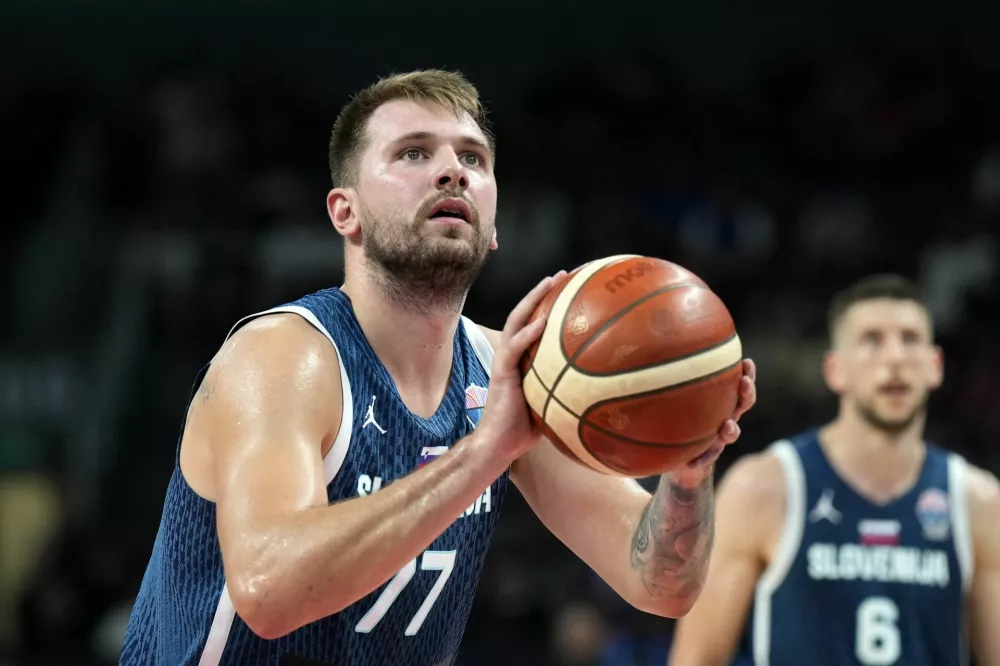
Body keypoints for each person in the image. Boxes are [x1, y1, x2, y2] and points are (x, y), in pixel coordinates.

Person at [119, 69, 757, 666]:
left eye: (472, 158)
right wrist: (485, 451)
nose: (451, 172)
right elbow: (268, 590)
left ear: (495, 224)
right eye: (413, 154)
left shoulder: (507, 374)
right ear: (346, 212)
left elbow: (658, 583)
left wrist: (684, 472)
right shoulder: (284, 357)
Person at [668, 274, 1000, 666]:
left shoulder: (977, 501)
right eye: (871, 341)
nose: (894, 358)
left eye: (910, 339)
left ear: (935, 366)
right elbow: (697, 658)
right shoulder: (763, 487)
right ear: (834, 369)